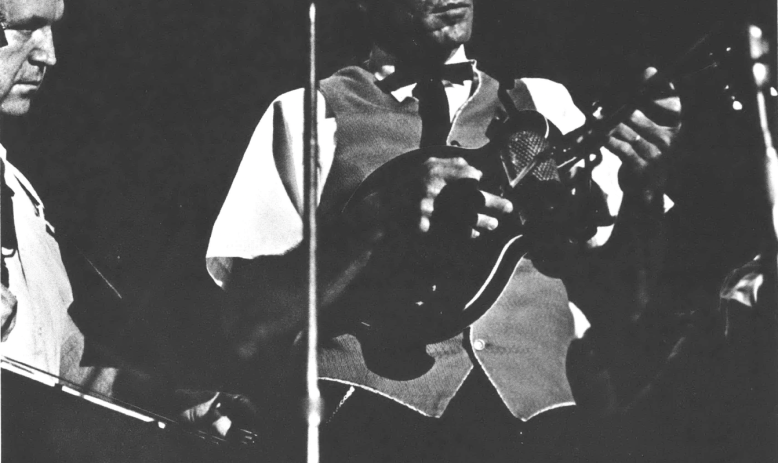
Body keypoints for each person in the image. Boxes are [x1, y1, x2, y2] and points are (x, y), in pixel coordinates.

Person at [206, 0, 682, 461]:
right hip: (370, 421)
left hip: (548, 425)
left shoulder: (545, 102)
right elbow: (249, 317)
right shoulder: (307, 113)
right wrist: (372, 224)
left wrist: (644, 191)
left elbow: (627, 298)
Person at [0, 0, 252, 441]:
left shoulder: (22, 198)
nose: (49, 54)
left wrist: (167, 400)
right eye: (27, 27)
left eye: (52, 29)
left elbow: (59, 362)